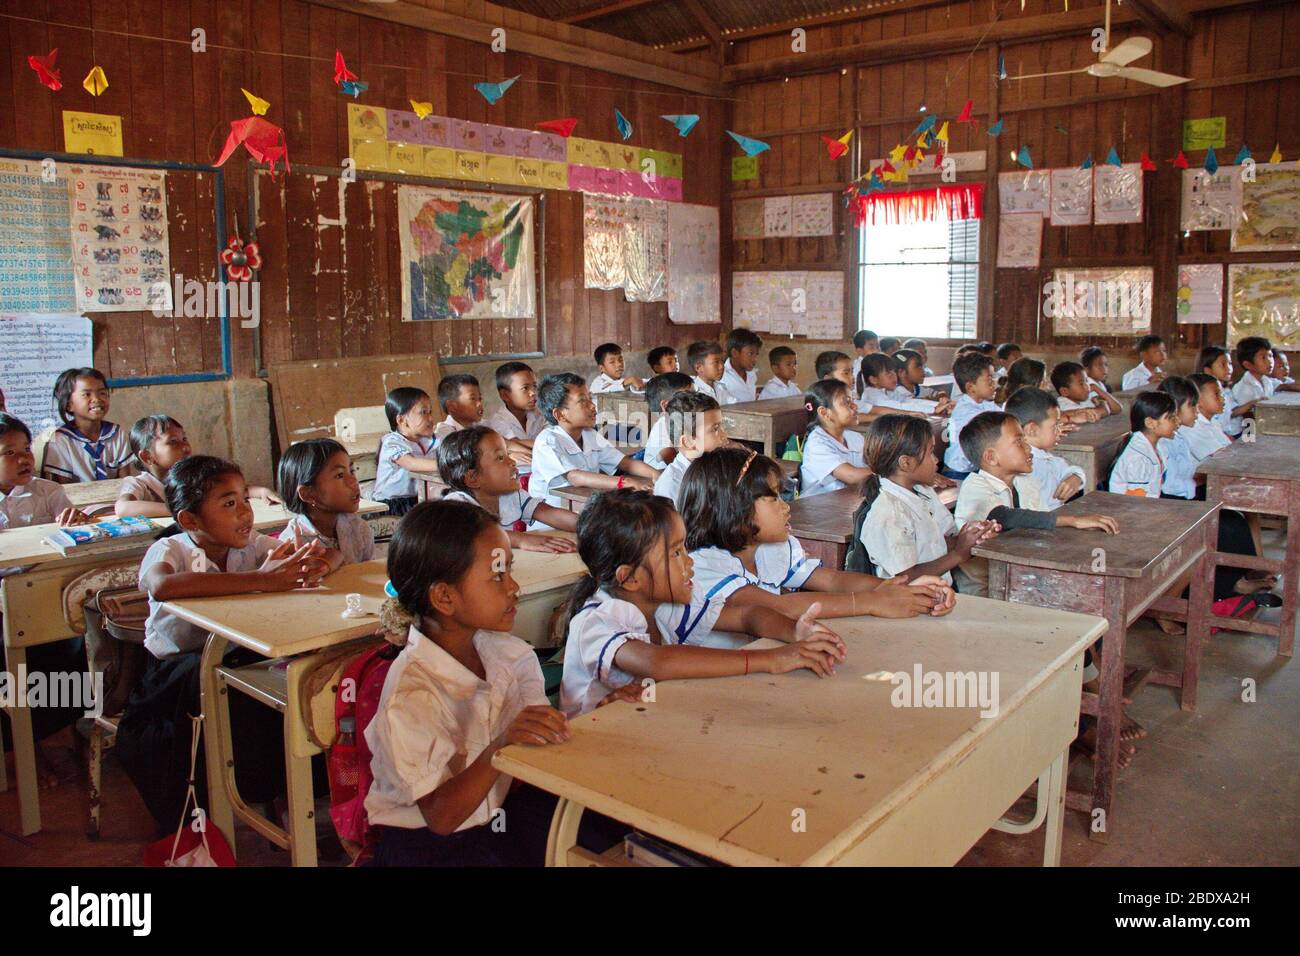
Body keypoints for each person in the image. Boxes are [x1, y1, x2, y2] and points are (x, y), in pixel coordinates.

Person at [365, 500, 627, 866]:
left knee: (611, 827)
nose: (514, 587)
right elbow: (441, 817)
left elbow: (537, 739)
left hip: (496, 816)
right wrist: (501, 745)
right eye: (497, 576)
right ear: (444, 597)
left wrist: (603, 714)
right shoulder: (411, 693)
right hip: (428, 846)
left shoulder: (509, 654)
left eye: (509, 571)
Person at [116, 456, 332, 827]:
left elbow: (316, 555)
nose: (245, 513)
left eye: (245, 500)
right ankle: (230, 799)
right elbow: (162, 585)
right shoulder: (172, 549)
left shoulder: (249, 545)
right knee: (237, 703)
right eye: (229, 504)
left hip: (233, 659)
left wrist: (312, 560)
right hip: (173, 674)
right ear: (190, 520)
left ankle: (287, 795)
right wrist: (262, 580)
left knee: (292, 690)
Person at [560, 489, 847, 713]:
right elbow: (657, 662)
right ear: (631, 578)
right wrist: (771, 659)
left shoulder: (666, 604)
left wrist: (795, 631)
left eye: (684, 548)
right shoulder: (596, 621)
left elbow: (749, 616)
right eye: (675, 553)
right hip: (585, 756)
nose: (689, 562)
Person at [857, 414, 996, 590]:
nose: (936, 460)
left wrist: (971, 537)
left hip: (937, 596)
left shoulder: (923, 492)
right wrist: (959, 554)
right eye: (931, 452)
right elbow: (905, 578)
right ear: (906, 463)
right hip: (907, 605)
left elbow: (935, 543)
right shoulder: (888, 514)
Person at [528, 373, 658, 524]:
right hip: (554, 522)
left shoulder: (589, 434)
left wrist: (657, 475)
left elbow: (626, 463)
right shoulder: (547, 441)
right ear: (560, 414)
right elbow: (575, 477)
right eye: (583, 401)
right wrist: (624, 482)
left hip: (587, 510)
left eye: (590, 398)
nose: (593, 406)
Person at [436, 426, 578, 552]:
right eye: (500, 458)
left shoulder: (510, 496)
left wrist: (590, 525)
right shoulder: (456, 505)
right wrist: (520, 540)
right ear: (473, 478)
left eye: (507, 455)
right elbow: (474, 536)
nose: (512, 462)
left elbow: (551, 513)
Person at [277, 437, 375, 568]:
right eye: (339, 475)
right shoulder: (293, 544)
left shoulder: (359, 529)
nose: (353, 482)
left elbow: (369, 573)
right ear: (308, 494)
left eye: (351, 471)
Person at [42, 367, 133, 482]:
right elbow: (64, 490)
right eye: (87, 394)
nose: (96, 399)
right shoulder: (61, 440)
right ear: (68, 404)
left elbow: (126, 482)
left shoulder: (117, 433)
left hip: (116, 498)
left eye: (102, 393)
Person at [652, 391, 726, 507]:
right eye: (715, 429)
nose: (724, 435)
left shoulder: (718, 467)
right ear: (687, 442)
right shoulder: (671, 485)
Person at [372, 387, 438, 516]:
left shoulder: (427, 441)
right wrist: (446, 465)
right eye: (423, 412)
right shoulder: (392, 441)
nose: (430, 418)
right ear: (401, 420)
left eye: (430, 412)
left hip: (417, 500)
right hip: (392, 506)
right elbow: (411, 464)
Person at [800, 379, 871, 497]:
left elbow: (874, 463)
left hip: (847, 502)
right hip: (818, 509)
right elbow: (852, 476)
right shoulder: (817, 444)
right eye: (846, 402)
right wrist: (891, 472)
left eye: (852, 400)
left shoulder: (855, 438)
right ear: (824, 413)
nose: (854, 406)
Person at [432, 374, 484, 441]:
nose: (479, 404)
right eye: (473, 399)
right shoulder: (445, 435)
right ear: (452, 406)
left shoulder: (484, 425)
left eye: (480, 398)